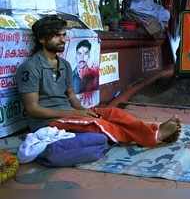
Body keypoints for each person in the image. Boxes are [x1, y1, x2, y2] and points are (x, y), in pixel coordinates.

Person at [16, 15, 181, 147]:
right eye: (56, 36)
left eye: (63, 35)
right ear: (42, 40)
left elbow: (71, 96)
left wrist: (84, 110)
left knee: (113, 113)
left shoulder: (65, 65)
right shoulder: (31, 67)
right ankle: (152, 136)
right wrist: (74, 113)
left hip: (68, 113)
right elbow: (33, 109)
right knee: (97, 124)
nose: (63, 40)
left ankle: (154, 129)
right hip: (47, 122)